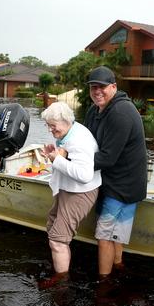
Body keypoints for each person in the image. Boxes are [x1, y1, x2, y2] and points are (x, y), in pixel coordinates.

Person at [83, 66, 147, 281]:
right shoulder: (95, 110)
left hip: (123, 184)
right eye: (93, 87)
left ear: (114, 87)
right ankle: (118, 266)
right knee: (115, 232)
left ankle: (104, 284)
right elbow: (84, 142)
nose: (97, 91)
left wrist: (68, 164)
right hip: (110, 179)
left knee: (104, 235)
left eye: (102, 87)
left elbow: (108, 158)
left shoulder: (120, 112)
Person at [38, 101, 101, 288]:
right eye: (48, 125)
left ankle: (61, 282)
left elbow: (84, 175)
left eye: (52, 125)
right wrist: (56, 154)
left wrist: (56, 159)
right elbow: (68, 156)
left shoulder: (79, 140)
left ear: (65, 121)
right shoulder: (71, 130)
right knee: (52, 229)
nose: (50, 130)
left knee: (58, 240)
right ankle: (60, 267)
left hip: (80, 192)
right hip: (68, 189)